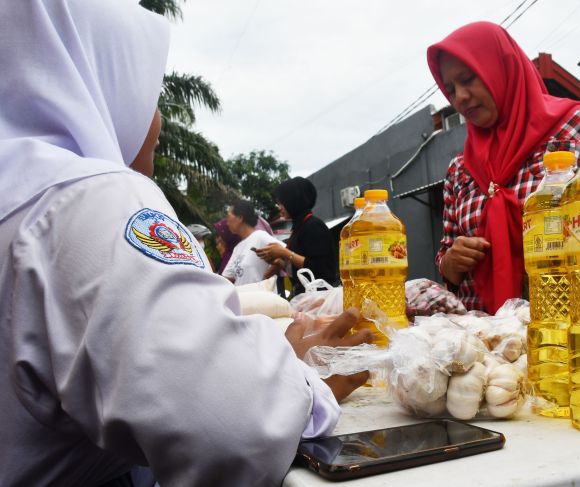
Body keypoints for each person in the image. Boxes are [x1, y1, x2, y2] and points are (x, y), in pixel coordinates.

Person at [0, 1, 370, 486]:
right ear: (104, 82)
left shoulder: (22, 194)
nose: (155, 120)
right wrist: (300, 378)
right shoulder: (86, 199)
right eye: (150, 93)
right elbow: (233, 424)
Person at [427, 22, 580, 313]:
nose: (460, 97)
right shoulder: (460, 169)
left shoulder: (579, 128)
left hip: (578, 329)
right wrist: (451, 263)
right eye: (451, 89)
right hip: (488, 346)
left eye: (468, 79)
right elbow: (447, 255)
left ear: (501, 69)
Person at [256, 177, 338, 296]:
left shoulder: (313, 226)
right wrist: (279, 261)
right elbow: (300, 268)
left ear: (293, 200)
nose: (279, 207)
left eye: (281, 203)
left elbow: (319, 268)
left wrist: (284, 252)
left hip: (320, 296)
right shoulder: (299, 227)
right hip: (306, 295)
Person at [222, 200, 285, 285]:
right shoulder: (238, 247)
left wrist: (266, 277)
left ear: (240, 218)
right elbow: (227, 278)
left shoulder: (260, 236)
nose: (227, 222)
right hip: (243, 297)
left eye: (228, 216)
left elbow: (286, 252)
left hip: (260, 296)